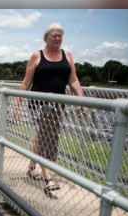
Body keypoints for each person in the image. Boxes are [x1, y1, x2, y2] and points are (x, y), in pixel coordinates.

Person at [13, 23, 87, 194]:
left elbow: (73, 80)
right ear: (45, 38)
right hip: (38, 105)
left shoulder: (67, 55)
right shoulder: (36, 56)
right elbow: (26, 82)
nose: (57, 38)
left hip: (57, 105)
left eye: (60, 35)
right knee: (46, 137)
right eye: (54, 35)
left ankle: (32, 167)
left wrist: (83, 102)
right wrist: (16, 105)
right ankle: (48, 178)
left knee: (42, 136)